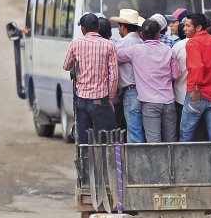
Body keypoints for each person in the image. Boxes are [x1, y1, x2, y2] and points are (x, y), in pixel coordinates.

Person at [115, 18, 181, 142]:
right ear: (158, 34)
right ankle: (170, 162)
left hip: (149, 103)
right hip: (168, 101)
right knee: (171, 141)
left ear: (141, 34)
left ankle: (156, 162)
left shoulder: (135, 50)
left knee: (153, 142)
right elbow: (176, 75)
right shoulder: (168, 50)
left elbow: (115, 55)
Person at [62, 13, 119, 144]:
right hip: (100, 99)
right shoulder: (109, 45)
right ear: (98, 27)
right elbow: (114, 76)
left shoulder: (75, 43)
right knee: (108, 137)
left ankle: (84, 162)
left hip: (81, 98)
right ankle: (104, 162)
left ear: (83, 29)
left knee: (82, 137)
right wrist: (110, 97)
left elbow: (66, 66)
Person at [180, 12, 211, 142]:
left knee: (186, 135)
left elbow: (197, 67)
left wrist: (196, 89)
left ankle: (184, 162)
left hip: (197, 94)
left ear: (198, 28)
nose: (184, 29)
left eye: (188, 26)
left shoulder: (192, 43)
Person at [109, 9, 146, 143]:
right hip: (144, 90)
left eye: (119, 26)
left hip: (131, 91)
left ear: (123, 27)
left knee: (134, 130)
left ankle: (137, 162)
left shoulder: (122, 44)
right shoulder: (141, 42)